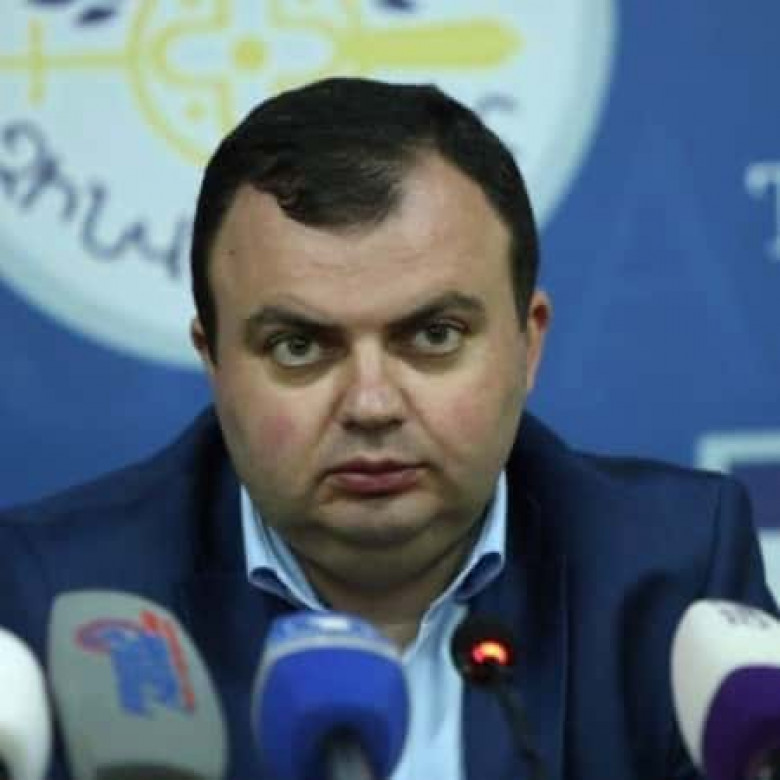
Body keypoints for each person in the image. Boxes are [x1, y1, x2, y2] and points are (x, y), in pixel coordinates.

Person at [0, 77, 775, 780]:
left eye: (433, 335)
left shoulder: (668, 572)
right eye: (299, 347)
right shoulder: (61, 598)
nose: (371, 404)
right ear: (215, 361)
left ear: (527, 344)